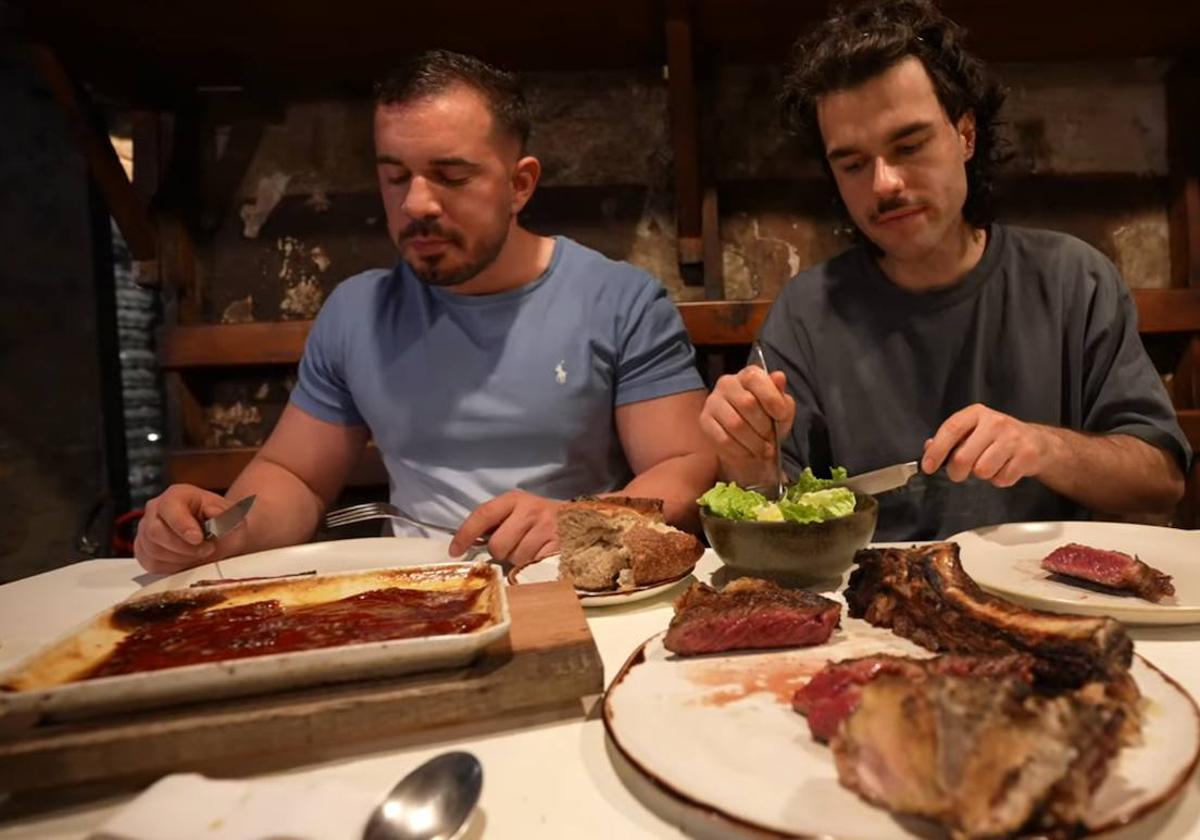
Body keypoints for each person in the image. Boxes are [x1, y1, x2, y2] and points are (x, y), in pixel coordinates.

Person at [135, 50, 715, 573]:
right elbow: (296, 478)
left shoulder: (619, 300)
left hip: (575, 580)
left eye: (451, 176)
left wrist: (585, 518)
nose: (416, 203)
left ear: (520, 184)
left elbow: (686, 465)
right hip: (413, 592)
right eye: (395, 177)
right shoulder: (356, 313)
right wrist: (214, 532)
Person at [699, 0, 1190, 540]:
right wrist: (749, 466)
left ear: (965, 135)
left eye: (909, 145)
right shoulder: (807, 311)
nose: (884, 183)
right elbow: (773, 518)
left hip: (1047, 600)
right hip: (873, 606)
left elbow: (1160, 481)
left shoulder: (1073, 279)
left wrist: (1045, 447)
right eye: (854, 164)